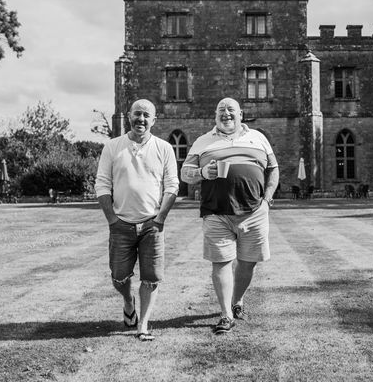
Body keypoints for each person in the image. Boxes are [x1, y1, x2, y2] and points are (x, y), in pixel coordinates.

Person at [181, 97, 279, 334]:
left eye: (231, 110)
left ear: (241, 114)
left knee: (247, 264)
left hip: (254, 212)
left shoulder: (258, 137)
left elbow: (273, 169)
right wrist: (203, 172)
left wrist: (267, 200)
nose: (226, 113)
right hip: (216, 212)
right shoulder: (203, 141)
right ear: (215, 116)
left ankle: (237, 301)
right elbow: (185, 173)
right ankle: (226, 315)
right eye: (221, 110)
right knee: (221, 263)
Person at [95, 99, 179, 341]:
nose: (141, 119)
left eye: (146, 115)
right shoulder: (113, 147)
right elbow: (102, 184)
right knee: (119, 277)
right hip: (121, 224)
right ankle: (128, 300)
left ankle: (143, 324)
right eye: (137, 114)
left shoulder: (163, 148)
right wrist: (112, 220)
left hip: (151, 224)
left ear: (154, 120)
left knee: (151, 278)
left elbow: (172, 185)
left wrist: (160, 218)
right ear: (129, 116)